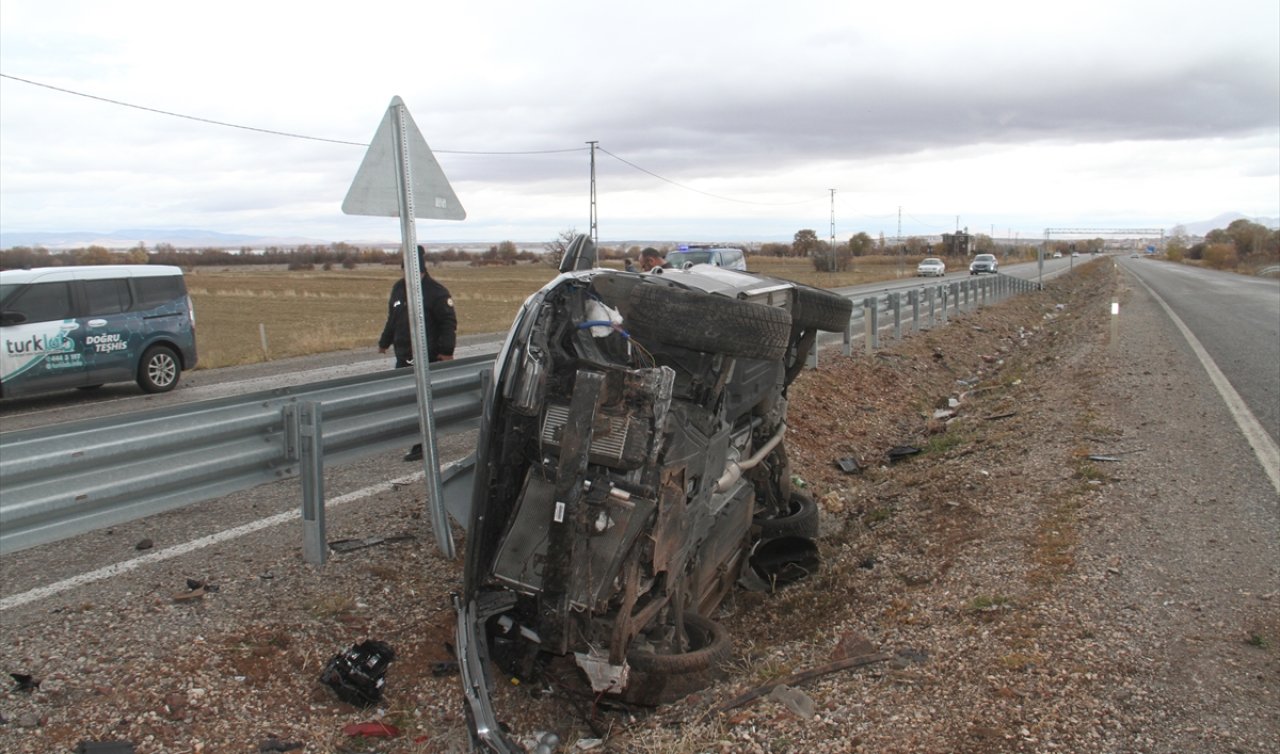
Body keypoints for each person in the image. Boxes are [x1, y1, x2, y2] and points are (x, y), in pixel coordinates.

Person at [378, 245, 457, 461]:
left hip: (428, 356)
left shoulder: (436, 292)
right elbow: (393, 318)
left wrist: (446, 351)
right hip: (403, 354)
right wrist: (384, 341)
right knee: (406, 400)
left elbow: (448, 323)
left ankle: (422, 445)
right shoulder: (399, 288)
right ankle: (416, 439)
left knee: (422, 401)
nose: (407, 274)